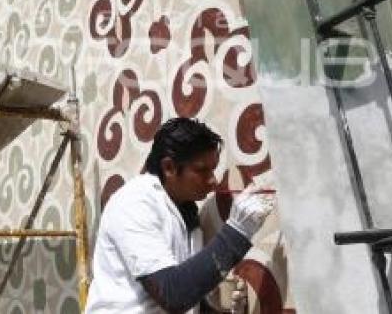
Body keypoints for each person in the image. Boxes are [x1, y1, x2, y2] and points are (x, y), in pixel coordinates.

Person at [85, 117, 274, 313]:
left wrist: (216, 306)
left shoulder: (186, 213)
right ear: (169, 168)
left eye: (213, 169)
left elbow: (180, 295)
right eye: (202, 170)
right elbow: (172, 295)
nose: (213, 181)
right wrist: (238, 231)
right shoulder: (135, 202)